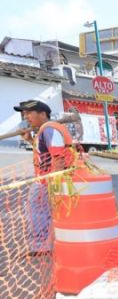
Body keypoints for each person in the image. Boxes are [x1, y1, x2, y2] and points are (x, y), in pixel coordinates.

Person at [13, 100, 76, 254]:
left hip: (47, 180)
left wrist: (53, 184)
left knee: (37, 210)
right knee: (44, 211)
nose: (26, 116)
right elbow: (44, 153)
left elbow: (58, 157)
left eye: (29, 113)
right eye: (24, 114)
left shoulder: (49, 130)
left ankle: (40, 245)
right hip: (49, 178)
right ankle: (48, 242)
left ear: (42, 114)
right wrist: (28, 139)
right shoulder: (45, 130)